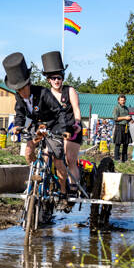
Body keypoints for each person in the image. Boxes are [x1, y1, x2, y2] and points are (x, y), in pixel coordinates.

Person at [3, 52, 69, 195]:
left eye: (23, 88)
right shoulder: (19, 98)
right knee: (28, 152)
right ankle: (36, 172)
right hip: (38, 129)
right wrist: (17, 126)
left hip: (53, 127)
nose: (22, 92)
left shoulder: (43, 93)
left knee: (58, 161)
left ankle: (64, 191)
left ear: (29, 84)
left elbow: (59, 112)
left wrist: (63, 130)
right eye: (18, 90)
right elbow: (20, 114)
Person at [42, 51, 82, 190]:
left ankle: (72, 187)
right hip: (55, 130)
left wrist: (77, 122)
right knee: (46, 156)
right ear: (49, 80)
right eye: (53, 78)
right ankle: (46, 184)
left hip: (71, 128)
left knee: (70, 160)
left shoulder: (69, 90)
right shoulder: (46, 94)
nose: (56, 81)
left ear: (62, 78)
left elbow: (76, 109)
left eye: (58, 78)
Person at [112, 94, 133, 162]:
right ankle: (116, 158)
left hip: (126, 127)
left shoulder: (126, 108)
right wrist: (125, 118)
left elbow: (128, 116)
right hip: (119, 126)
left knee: (126, 143)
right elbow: (115, 118)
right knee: (118, 143)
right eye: (121, 100)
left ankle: (125, 159)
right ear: (118, 101)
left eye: (124, 100)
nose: (123, 101)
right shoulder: (116, 108)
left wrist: (130, 119)